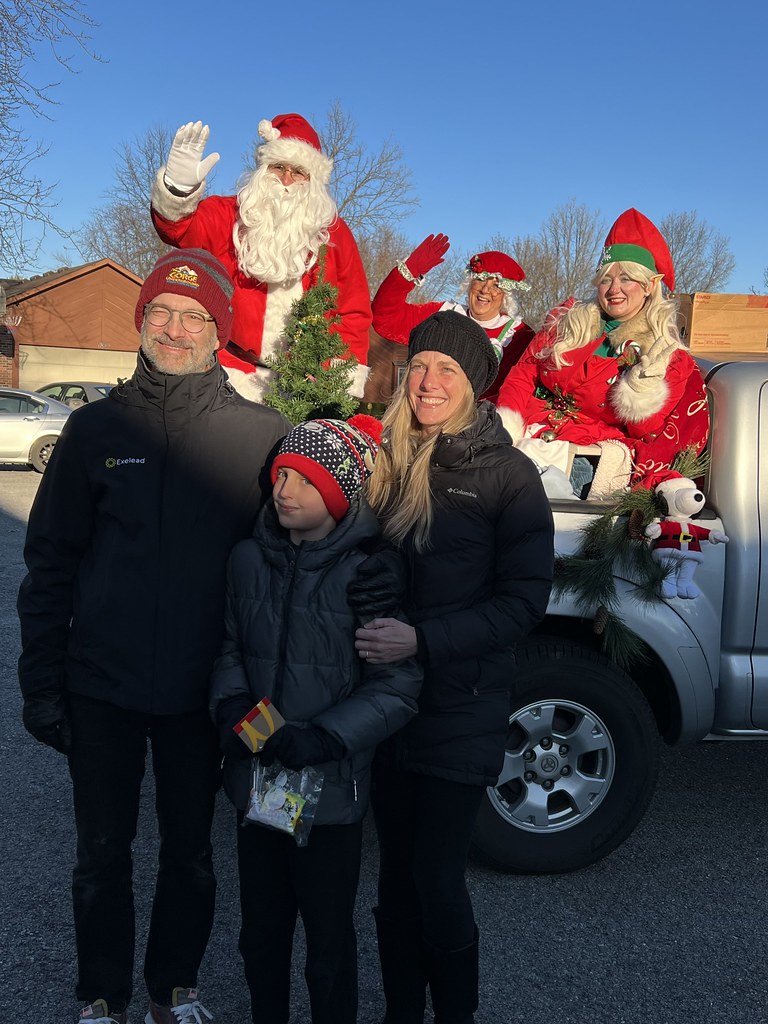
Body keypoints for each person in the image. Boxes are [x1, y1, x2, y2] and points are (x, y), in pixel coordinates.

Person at [17, 248, 292, 1024]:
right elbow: (50, 562)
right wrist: (41, 682)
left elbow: (288, 566)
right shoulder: (95, 428)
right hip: (99, 684)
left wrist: (272, 695)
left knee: (191, 853)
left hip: (201, 697)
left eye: (195, 316)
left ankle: (176, 983)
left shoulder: (258, 436)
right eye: (162, 314)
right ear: (142, 322)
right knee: (101, 854)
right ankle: (101, 995)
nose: (175, 329)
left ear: (219, 332)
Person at [353, 311, 554, 1024]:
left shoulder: (508, 476)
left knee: (437, 878)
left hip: (458, 706)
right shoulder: (389, 457)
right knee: (395, 882)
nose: (428, 382)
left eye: (448, 371)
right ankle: (402, 1013)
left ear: (475, 386)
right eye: (419, 366)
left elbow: (524, 602)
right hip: (386, 707)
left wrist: (422, 639)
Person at [209, 416, 422, 1024]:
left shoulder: (365, 577)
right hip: (259, 784)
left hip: (330, 794)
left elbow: (399, 685)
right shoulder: (248, 560)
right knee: (261, 933)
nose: (284, 491)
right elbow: (230, 649)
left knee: (328, 940)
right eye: (280, 476)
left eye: (304, 480)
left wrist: (326, 736)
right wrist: (232, 711)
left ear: (337, 494)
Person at [151, 114, 372, 402]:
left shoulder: (333, 234)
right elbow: (181, 231)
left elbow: (351, 310)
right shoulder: (232, 214)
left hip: (305, 382)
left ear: (313, 180)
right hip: (229, 373)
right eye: (278, 167)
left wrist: (341, 383)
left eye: (298, 172)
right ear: (263, 169)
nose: (286, 180)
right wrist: (177, 189)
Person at [495, 208, 709, 494]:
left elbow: (648, 433)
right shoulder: (567, 321)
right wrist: (506, 425)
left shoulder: (665, 354)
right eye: (607, 279)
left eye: (626, 278)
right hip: (524, 438)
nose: (614, 289)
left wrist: (640, 394)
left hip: (583, 461)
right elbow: (524, 373)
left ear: (649, 286)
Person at [371, 236, 535, 403]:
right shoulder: (442, 315)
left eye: (496, 286)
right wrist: (409, 272)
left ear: (506, 295)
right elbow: (385, 319)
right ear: (470, 283)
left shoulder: (520, 337)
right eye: (480, 280)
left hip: (484, 424)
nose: (485, 290)